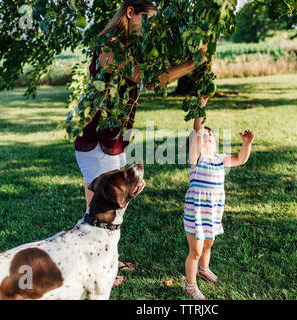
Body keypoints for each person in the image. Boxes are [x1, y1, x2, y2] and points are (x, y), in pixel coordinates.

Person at [74, 0, 208, 287]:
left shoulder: (132, 46)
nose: (151, 28)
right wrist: (192, 63)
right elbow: (149, 79)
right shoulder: (110, 44)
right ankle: (100, 271)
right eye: (147, 20)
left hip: (113, 139)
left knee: (109, 209)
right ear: (130, 12)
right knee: (100, 214)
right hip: (98, 140)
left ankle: (109, 262)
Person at [182, 95, 255, 300]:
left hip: (212, 211)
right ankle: (189, 285)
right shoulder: (197, 159)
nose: (208, 137)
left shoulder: (219, 159)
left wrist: (247, 144)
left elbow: (241, 159)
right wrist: (200, 108)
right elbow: (197, 131)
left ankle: (204, 269)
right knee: (195, 250)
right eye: (204, 136)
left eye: (211, 135)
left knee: (208, 243)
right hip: (196, 212)